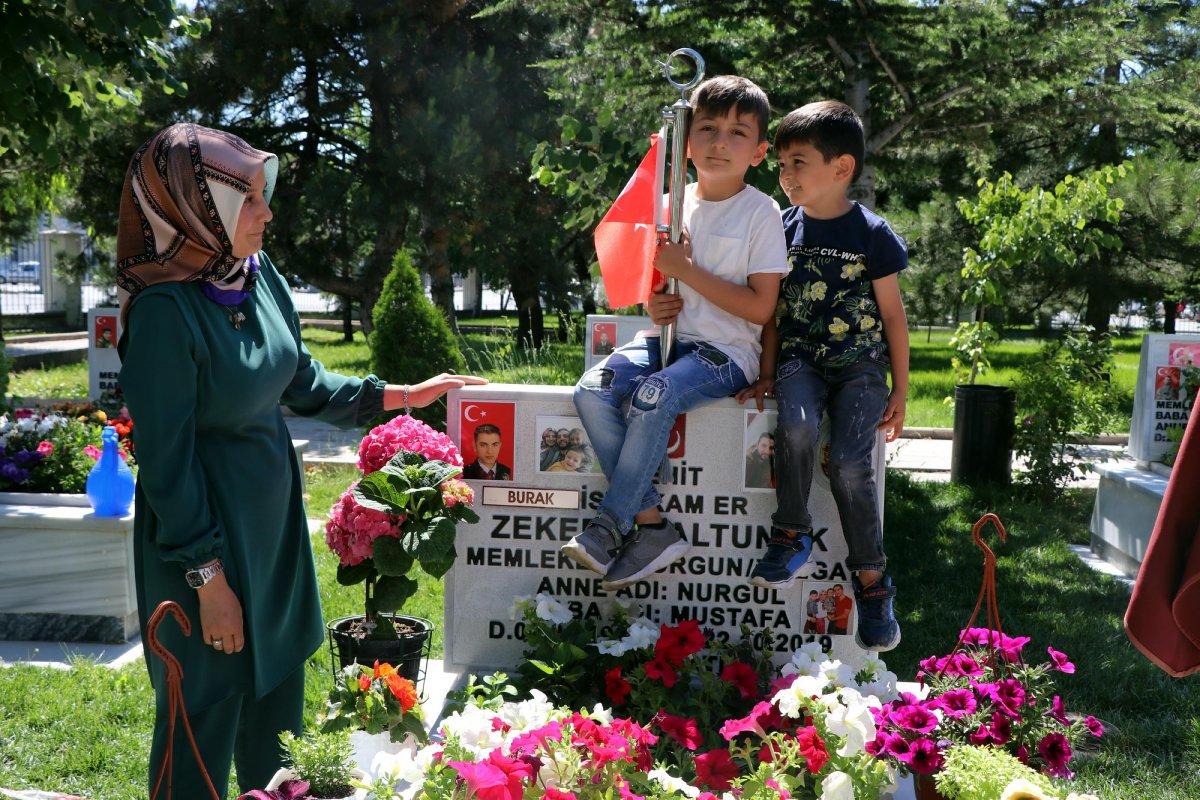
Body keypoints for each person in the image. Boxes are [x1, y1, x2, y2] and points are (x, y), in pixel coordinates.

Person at [116, 123, 486, 799]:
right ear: (197, 210)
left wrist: (407, 394)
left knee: (279, 704)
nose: (267, 213)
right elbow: (167, 465)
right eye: (249, 199)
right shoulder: (165, 314)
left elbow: (306, 380)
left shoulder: (258, 279)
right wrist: (209, 581)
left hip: (273, 526)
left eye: (263, 195)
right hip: (202, 539)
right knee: (204, 713)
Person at [566, 75, 789, 590]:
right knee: (593, 391)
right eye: (707, 128)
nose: (718, 142)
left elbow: (760, 308)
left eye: (737, 133)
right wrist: (657, 297)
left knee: (653, 394)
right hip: (667, 341)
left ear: (758, 152)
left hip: (725, 353)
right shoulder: (670, 203)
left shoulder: (762, 213)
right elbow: (662, 281)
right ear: (685, 144)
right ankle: (652, 525)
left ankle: (609, 527)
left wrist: (685, 271)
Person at [736, 101, 908, 652]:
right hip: (800, 360)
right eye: (781, 165)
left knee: (853, 468)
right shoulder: (779, 229)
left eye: (798, 163)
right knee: (799, 429)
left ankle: (873, 584)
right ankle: (791, 532)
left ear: (841, 169)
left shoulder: (873, 234)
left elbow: (893, 317)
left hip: (860, 366)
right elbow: (772, 309)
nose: (786, 177)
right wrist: (766, 372)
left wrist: (901, 391)